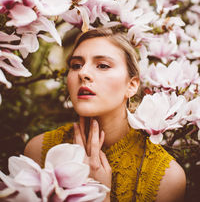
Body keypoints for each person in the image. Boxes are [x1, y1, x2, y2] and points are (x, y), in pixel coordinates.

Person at [24, 27, 186, 202]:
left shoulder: (166, 178)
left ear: (131, 85)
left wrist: (101, 195)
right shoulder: (38, 151)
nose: (83, 73)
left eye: (102, 65)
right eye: (76, 65)